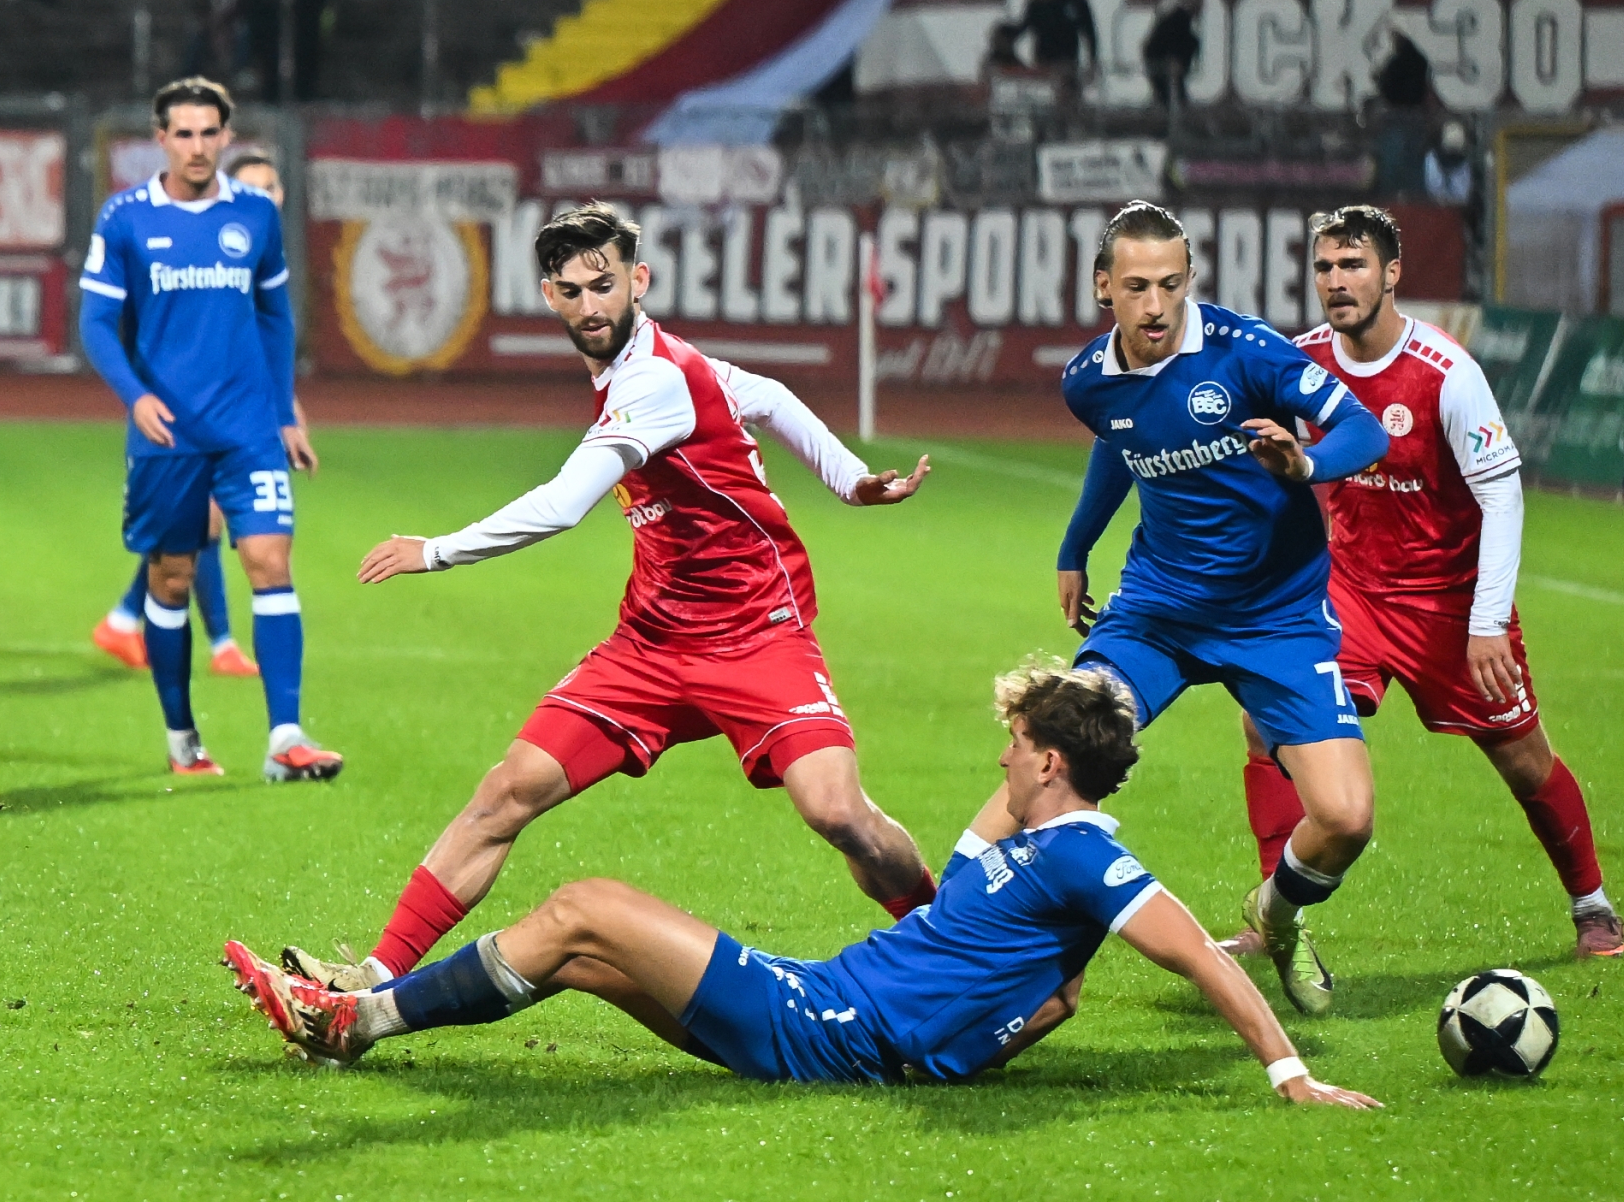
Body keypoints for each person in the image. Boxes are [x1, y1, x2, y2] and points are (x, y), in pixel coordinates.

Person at [276, 202, 939, 993]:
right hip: (652, 643)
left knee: (838, 812)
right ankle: (372, 976)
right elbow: (764, 394)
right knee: (508, 789)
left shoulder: (655, 380)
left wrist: (436, 549)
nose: (591, 305)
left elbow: (564, 503)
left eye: (604, 284)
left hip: (757, 634)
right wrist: (847, 476)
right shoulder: (657, 368)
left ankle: (956, 943)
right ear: (549, 296)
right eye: (572, 290)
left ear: (639, 280)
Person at [223, 662, 1381, 1109]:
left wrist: (1289, 1073)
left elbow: (1189, 948)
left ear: (1046, 762)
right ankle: (358, 1021)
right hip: (837, 1008)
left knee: (585, 903)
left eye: (1015, 743)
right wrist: (998, 1031)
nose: (1000, 756)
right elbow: (1055, 991)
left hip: (833, 1025)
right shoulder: (1024, 845)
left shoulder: (1084, 852)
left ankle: (355, 1018)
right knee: (577, 951)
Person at [1219, 206, 1624, 960]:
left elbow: (1502, 495)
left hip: (1451, 604)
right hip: (1350, 590)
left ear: (1392, 273)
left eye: (1354, 265)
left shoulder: (1446, 372)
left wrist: (1487, 623)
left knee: (1523, 760)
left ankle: (1592, 905)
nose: (1336, 281)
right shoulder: (1302, 361)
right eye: (1325, 267)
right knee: (1264, 722)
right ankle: (1274, 915)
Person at [1037, 201, 1390, 1017]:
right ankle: (991, 949)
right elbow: (1121, 442)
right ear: (1103, 287)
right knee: (1060, 747)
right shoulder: (1087, 381)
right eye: (1137, 286)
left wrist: (1306, 465)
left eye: (1171, 284)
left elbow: (1364, 429)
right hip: (1158, 611)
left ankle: (1276, 914)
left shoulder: (1246, 351)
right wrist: (1075, 546)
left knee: (1345, 817)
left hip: (1276, 617)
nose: (1156, 304)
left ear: (1190, 279)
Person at [79, 77, 341, 782]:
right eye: (184, 133)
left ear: (226, 137)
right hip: (167, 435)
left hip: (247, 429)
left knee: (270, 563)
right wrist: (135, 397)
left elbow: (276, 317)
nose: (197, 146)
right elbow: (96, 322)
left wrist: (283, 414)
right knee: (171, 578)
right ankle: (182, 739)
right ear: (161, 139)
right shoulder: (125, 217)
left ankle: (286, 738)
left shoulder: (254, 214)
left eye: (209, 133)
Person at [92, 146, 292, 680]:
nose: (265, 196)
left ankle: (127, 619)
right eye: (254, 186)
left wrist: (282, 406)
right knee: (200, 523)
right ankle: (214, 640)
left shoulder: (258, 248)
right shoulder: (205, 243)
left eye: (272, 186)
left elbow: (265, 336)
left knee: (197, 526)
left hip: (237, 414)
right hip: (190, 412)